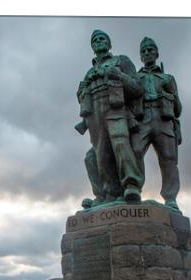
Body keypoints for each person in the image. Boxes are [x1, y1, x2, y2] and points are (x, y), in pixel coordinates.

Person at [76, 30, 145, 207]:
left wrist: (119, 75)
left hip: (116, 108)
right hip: (94, 115)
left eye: (102, 39)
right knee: (100, 154)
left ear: (109, 44)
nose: (99, 42)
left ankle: (131, 186)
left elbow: (138, 88)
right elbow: (82, 98)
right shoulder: (89, 72)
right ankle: (109, 193)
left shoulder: (122, 61)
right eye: (95, 40)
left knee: (121, 143)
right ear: (92, 46)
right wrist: (81, 91)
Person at [131, 37, 183, 211]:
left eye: (150, 50)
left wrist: (170, 91)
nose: (147, 53)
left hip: (164, 119)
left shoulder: (168, 78)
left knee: (168, 159)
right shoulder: (135, 77)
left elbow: (178, 109)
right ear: (140, 56)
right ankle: (133, 191)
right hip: (142, 117)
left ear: (156, 53)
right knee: (135, 152)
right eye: (143, 51)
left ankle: (170, 198)